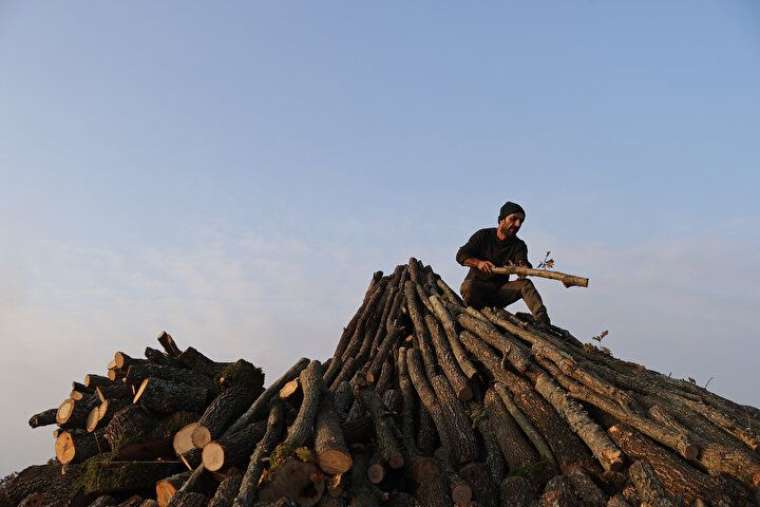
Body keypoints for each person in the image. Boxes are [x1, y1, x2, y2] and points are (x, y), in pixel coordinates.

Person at [455, 201, 551, 329]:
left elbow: (522, 262)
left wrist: (522, 268)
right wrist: (478, 263)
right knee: (467, 286)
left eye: (520, 222)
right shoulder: (483, 236)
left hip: (500, 292)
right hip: (477, 290)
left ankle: (543, 322)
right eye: (513, 219)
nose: (517, 224)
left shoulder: (519, 246)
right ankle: (482, 312)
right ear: (501, 220)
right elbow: (461, 255)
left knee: (526, 285)